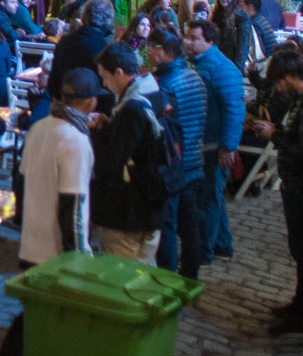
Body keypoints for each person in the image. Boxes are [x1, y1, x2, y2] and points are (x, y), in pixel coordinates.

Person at [0, 69, 100, 356]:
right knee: (48, 328)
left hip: (32, 244)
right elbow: (72, 207)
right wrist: (79, 259)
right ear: (91, 102)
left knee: (30, 323)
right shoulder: (75, 141)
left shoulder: (40, 128)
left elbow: (21, 184)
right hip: (56, 252)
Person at [250, 50, 303, 336]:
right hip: (295, 182)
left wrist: (275, 135)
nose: (278, 89)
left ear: (291, 77)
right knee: (299, 245)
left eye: (280, 82)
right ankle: (299, 303)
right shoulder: (300, 101)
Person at [91, 44, 172, 264]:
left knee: (122, 276)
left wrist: (98, 134)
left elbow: (113, 160)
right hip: (152, 205)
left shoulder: (131, 110)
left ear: (118, 71)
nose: (104, 84)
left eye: (105, 77)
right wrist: (110, 126)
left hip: (131, 211)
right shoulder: (152, 93)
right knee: (145, 269)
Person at [184, 17, 243, 265]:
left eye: (194, 38)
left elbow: (234, 110)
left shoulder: (222, 69)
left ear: (209, 40)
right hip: (204, 143)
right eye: (187, 37)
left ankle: (203, 252)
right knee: (214, 197)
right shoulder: (197, 63)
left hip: (215, 145)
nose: (187, 42)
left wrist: (228, 147)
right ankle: (222, 244)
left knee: (207, 199)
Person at [148, 31, 206, 280]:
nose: (148, 52)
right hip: (194, 161)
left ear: (166, 51)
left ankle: (167, 280)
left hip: (174, 166)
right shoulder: (195, 77)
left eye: (152, 47)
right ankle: (191, 275)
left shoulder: (166, 84)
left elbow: (162, 129)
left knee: (168, 227)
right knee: (189, 225)